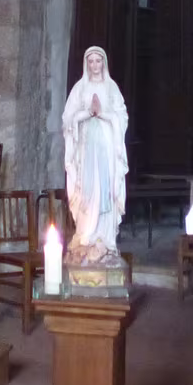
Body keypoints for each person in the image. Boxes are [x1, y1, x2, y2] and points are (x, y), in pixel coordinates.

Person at [61, 45, 129, 264]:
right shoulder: (80, 88)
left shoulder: (111, 87)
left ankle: (104, 238)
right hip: (86, 147)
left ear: (104, 63)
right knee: (88, 190)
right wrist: (86, 113)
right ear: (86, 64)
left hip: (106, 148)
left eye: (98, 61)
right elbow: (67, 118)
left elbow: (122, 117)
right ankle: (86, 233)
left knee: (105, 189)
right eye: (91, 61)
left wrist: (103, 114)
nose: (94, 65)